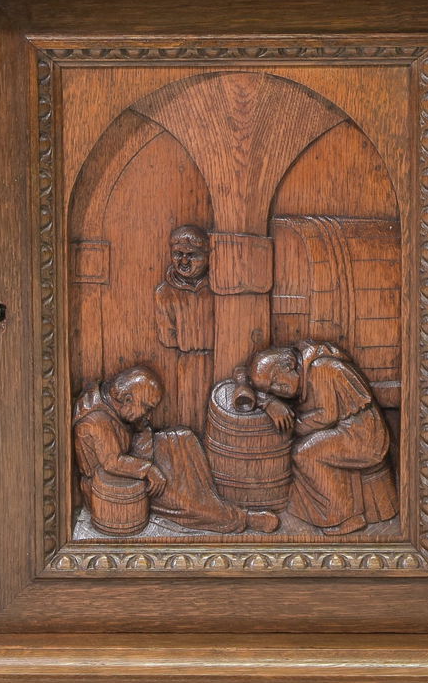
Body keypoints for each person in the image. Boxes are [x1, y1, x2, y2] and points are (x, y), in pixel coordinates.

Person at [73, 367, 278, 536]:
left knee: (184, 438)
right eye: (146, 407)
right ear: (126, 399)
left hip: (132, 454)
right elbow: (113, 462)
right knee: (180, 498)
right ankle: (237, 518)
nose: (148, 413)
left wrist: (141, 428)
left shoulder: (112, 400)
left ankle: (211, 497)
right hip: (115, 482)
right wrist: (149, 469)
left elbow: (131, 428)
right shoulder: (97, 420)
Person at [234, 342, 396, 534]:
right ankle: (317, 513)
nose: (279, 390)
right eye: (273, 389)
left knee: (305, 454)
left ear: (288, 367)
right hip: (345, 430)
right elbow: (243, 375)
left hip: (363, 435)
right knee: (305, 450)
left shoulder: (321, 368)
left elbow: (326, 415)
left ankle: (347, 517)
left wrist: (294, 426)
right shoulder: (304, 371)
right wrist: (267, 401)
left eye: (276, 382)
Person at [153, 225, 215, 431]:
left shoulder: (217, 287)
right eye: (178, 254)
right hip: (187, 360)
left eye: (192, 255)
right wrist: (190, 339)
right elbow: (166, 336)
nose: (184, 261)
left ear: (206, 256)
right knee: (190, 411)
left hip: (220, 357)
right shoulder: (165, 292)